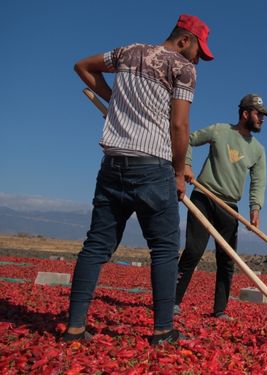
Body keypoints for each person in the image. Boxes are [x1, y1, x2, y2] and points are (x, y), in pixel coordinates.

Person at [65, 14, 214, 345]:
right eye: (199, 52)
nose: (198, 59)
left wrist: (114, 100)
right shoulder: (182, 68)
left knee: (96, 245)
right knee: (163, 248)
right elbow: (179, 126)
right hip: (153, 166)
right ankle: (163, 330)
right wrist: (178, 172)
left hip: (113, 163)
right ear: (185, 40)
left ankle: (74, 327)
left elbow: (82, 66)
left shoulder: (127, 52)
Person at [174, 94, 267, 319]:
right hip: (204, 197)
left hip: (229, 206)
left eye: (264, 115)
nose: (262, 119)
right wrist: (186, 164)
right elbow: (188, 139)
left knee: (227, 260)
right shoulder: (219, 130)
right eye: (259, 114)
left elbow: (259, 181)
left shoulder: (258, 150)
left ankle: (219, 310)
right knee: (194, 251)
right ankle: (173, 301)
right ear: (245, 114)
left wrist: (255, 208)